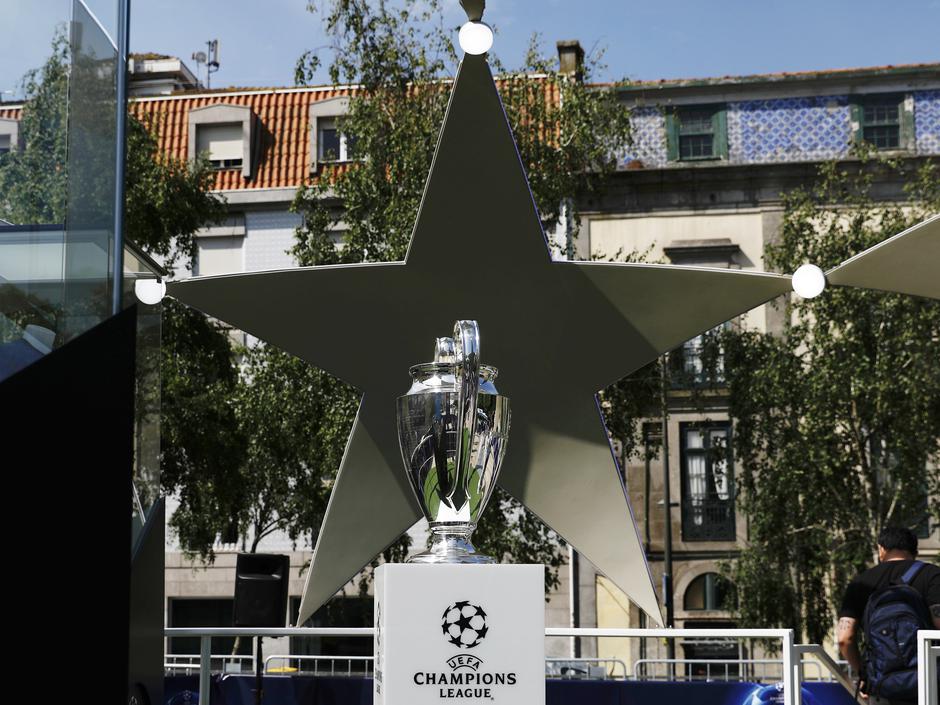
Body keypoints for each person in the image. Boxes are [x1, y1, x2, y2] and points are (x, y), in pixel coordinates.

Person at [837, 526, 940, 703]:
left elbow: (844, 638)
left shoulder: (861, 582)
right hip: (930, 682)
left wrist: (865, 676)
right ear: (915, 551)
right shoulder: (932, 575)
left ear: (881, 549)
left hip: (883, 686)